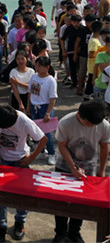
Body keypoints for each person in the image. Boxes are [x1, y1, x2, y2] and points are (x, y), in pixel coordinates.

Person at [52, 100, 110, 243]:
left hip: (89, 168)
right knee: (62, 201)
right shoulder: (66, 123)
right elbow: (62, 145)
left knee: (81, 203)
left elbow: (104, 147)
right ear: (80, 116)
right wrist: (72, 167)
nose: (92, 127)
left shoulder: (103, 125)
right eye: (89, 124)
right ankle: (60, 233)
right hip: (64, 166)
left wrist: (101, 170)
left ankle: (74, 232)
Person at [0, 105, 48, 242]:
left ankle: (20, 222)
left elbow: (43, 139)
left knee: (22, 194)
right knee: (0, 194)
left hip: (20, 160)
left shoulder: (25, 121)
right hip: (2, 160)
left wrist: (31, 158)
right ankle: (2, 226)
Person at [28, 56, 58, 165]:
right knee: (36, 131)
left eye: (40, 66)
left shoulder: (51, 80)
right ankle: (41, 151)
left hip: (45, 107)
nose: (37, 68)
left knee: (46, 133)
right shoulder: (34, 76)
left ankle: (51, 153)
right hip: (34, 106)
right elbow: (30, 92)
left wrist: (48, 113)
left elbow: (52, 98)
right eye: (36, 65)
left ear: (47, 67)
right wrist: (28, 106)